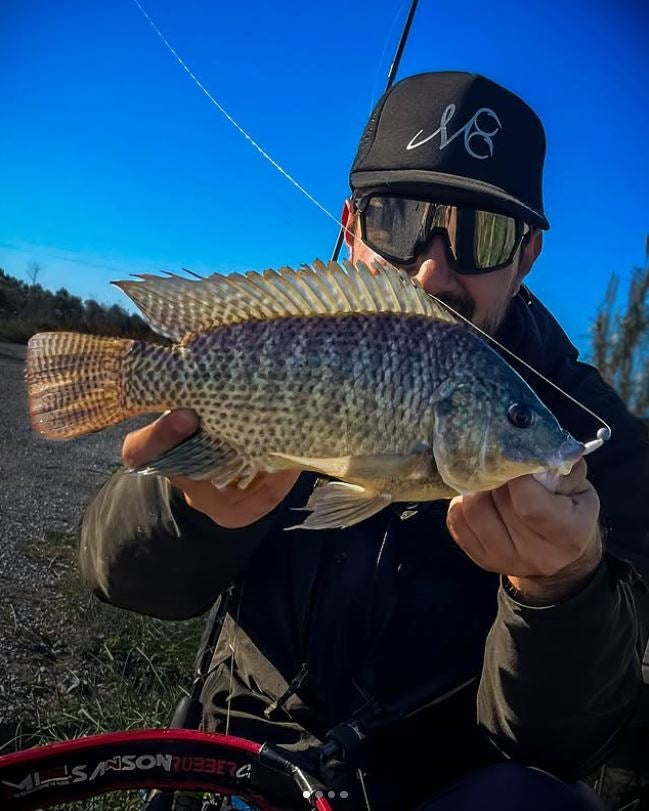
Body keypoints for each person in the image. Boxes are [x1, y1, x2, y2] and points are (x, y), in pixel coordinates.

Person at [79, 72, 649, 810]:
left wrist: (563, 592)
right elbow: (122, 580)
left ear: (526, 255)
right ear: (350, 228)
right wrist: (182, 508)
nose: (431, 271)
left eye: (479, 233)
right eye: (399, 219)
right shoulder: (282, 343)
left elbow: (578, 745)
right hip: (245, 759)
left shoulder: (599, 443)